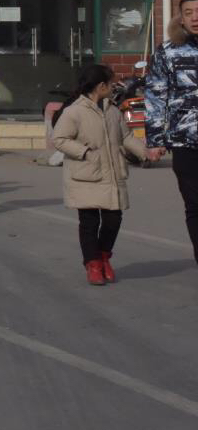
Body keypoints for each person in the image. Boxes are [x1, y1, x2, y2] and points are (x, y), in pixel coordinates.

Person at [52, 63, 153, 285]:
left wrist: (145, 152)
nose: (114, 86)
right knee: (89, 222)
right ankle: (93, 264)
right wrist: (84, 152)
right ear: (100, 86)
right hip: (85, 174)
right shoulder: (74, 111)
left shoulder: (113, 111)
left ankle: (104, 256)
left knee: (113, 219)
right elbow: (59, 139)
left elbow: (126, 137)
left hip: (112, 174)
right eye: (110, 83)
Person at [144, 0, 198, 266]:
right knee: (194, 204)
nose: (195, 18)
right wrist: (155, 140)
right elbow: (156, 96)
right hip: (184, 140)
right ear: (181, 18)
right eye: (188, 13)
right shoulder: (168, 51)